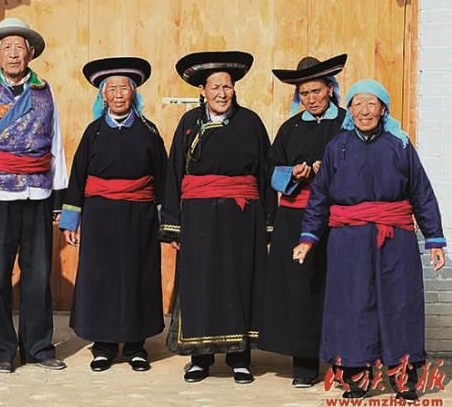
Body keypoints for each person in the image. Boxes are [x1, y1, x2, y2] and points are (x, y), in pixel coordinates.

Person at [293, 79, 447, 400]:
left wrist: (434, 239)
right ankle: (356, 376)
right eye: (358, 104)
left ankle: (404, 378)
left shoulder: (400, 145)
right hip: (348, 240)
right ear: (349, 110)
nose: (364, 111)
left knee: (399, 303)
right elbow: (320, 195)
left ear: (383, 109)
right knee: (352, 305)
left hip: (395, 239)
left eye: (371, 104)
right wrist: (308, 237)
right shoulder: (337, 146)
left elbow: (421, 193)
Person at [0, 17, 68, 373]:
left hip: (37, 193)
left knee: (38, 274)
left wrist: (58, 196)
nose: (12, 54)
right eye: (5, 47)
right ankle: (2, 351)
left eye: (19, 47)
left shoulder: (45, 91)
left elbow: (56, 144)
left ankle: (38, 348)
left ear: (30, 52)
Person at [159, 51, 274, 384]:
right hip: (198, 218)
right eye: (215, 87)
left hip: (242, 218)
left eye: (227, 86)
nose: (222, 93)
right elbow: (174, 174)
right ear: (203, 91)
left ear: (234, 89)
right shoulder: (188, 124)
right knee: (201, 284)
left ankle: (240, 358)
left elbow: (265, 175)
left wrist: (268, 224)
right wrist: (174, 226)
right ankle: (200, 358)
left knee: (240, 282)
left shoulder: (251, 123)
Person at [59, 57, 167, 373]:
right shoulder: (93, 133)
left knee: (137, 276)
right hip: (100, 217)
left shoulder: (149, 131)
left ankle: (135, 346)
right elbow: (78, 178)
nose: (119, 95)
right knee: (101, 278)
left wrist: (167, 221)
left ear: (134, 93)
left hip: (139, 217)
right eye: (112, 89)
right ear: (102, 96)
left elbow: (163, 178)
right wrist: (71, 220)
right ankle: (104, 346)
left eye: (124, 88)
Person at [258, 54, 347, 388]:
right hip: (295, 218)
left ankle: (343, 363)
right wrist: (292, 174)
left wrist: (332, 170)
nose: (311, 99)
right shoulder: (290, 128)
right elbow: (271, 172)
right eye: (304, 93)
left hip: (337, 218)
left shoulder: (347, 124)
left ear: (330, 89)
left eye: (317, 91)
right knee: (300, 289)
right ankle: (305, 365)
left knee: (338, 287)